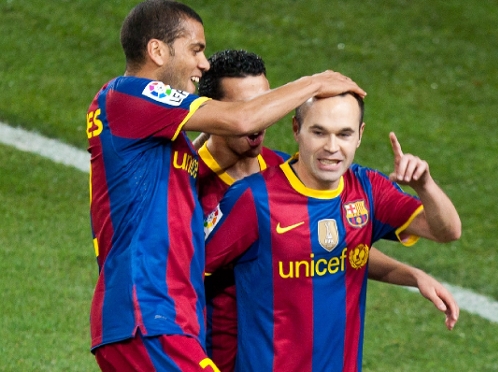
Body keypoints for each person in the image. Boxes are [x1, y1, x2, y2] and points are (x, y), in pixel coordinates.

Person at [85, 1, 365, 370]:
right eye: (195, 49)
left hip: (161, 319)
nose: (204, 63)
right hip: (148, 313)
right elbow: (241, 118)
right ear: (156, 50)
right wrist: (313, 83)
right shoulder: (128, 94)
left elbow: (167, 200)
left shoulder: (164, 143)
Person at [199, 50, 459, 371]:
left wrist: (412, 273)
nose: (332, 147)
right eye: (319, 132)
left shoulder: (305, 172)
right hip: (225, 354)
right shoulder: (194, 186)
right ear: (298, 130)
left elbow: (329, 247)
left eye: (344, 133)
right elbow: (172, 282)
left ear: (360, 134)